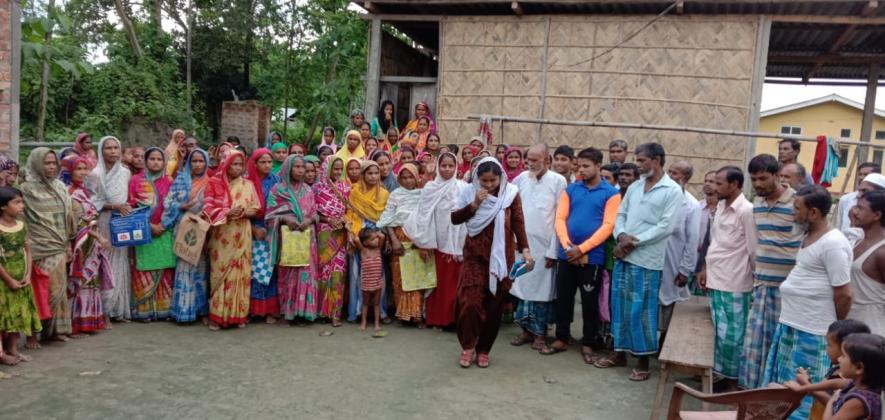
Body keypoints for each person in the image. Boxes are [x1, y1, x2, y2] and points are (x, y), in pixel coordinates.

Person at [763, 185, 853, 420]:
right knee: (784, 391)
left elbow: (844, 293)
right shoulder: (808, 237)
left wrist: (834, 327)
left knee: (802, 399)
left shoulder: (833, 243)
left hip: (812, 332)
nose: (793, 213)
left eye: (797, 208)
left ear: (813, 213)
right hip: (792, 326)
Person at [596, 143, 682, 381]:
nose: (639, 164)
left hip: (646, 260)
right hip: (624, 256)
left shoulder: (672, 191)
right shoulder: (634, 187)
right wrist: (621, 236)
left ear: (656, 160)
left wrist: (633, 243)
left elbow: (666, 227)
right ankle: (619, 353)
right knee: (620, 306)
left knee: (642, 311)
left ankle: (643, 361)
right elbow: (621, 215)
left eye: (642, 160)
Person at [451, 157, 531, 368]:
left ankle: (484, 349)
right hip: (474, 256)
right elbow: (455, 218)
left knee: (494, 306)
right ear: (477, 178)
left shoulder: (510, 194)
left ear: (500, 178)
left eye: (492, 181)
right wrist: (475, 204)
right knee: (470, 302)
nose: (488, 185)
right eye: (484, 181)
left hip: (502, 259)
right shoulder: (468, 192)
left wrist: (525, 249)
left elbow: (518, 222)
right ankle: (468, 346)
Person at [539, 147, 618, 360]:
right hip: (567, 254)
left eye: (586, 166)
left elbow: (608, 225)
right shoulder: (571, 189)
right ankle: (561, 338)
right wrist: (567, 246)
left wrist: (581, 249)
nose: (581, 170)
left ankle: (588, 343)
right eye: (579, 165)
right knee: (563, 298)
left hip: (592, 257)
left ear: (598, 167)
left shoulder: (611, 193)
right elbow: (560, 219)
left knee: (590, 301)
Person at [738, 154, 804, 390]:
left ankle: (779, 394)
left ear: (777, 175)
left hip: (788, 289)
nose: (757, 184)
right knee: (755, 345)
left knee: (782, 346)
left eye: (763, 178)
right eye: (754, 179)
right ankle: (753, 392)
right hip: (762, 285)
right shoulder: (756, 203)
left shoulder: (798, 202)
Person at [700, 165, 756, 389]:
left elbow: (753, 250)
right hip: (717, 277)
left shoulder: (746, 211)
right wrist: (705, 268)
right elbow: (715, 243)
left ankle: (732, 378)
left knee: (733, 334)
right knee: (720, 332)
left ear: (734, 185)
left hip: (735, 281)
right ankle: (721, 373)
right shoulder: (722, 206)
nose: (714, 187)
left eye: (719, 183)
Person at [508, 144, 567, 351]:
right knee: (522, 289)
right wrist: (514, 239)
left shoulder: (559, 181)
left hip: (545, 248)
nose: (530, 163)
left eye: (535, 160)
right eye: (528, 160)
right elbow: (512, 211)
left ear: (547, 160)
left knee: (542, 293)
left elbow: (561, 217)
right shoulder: (520, 179)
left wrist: (554, 251)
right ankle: (525, 331)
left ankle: (540, 334)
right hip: (522, 245)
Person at [404, 153, 467, 329]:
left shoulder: (462, 187)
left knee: (455, 284)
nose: (447, 169)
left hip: (457, 243)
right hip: (437, 243)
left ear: (456, 168)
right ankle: (439, 319)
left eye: (450, 166)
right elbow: (424, 216)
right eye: (444, 166)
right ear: (438, 167)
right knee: (439, 284)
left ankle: (454, 319)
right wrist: (424, 243)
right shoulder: (431, 188)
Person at [21, 147, 74, 342]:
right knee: (39, 290)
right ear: (36, 164)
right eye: (47, 163)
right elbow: (22, 219)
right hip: (37, 247)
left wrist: (67, 243)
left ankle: (54, 330)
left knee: (58, 288)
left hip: (59, 245)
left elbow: (67, 217)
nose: (51, 167)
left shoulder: (60, 187)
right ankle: (33, 333)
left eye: (54, 163)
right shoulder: (26, 189)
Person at [203, 151, 260, 330]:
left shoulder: (248, 185)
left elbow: (256, 208)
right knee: (220, 273)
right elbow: (207, 208)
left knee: (240, 273)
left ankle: (238, 316)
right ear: (226, 164)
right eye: (233, 164)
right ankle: (217, 317)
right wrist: (226, 213)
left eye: (240, 165)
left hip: (242, 233)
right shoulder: (214, 183)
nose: (237, 168)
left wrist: (242, 212)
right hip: (221, 235)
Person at [266, 155, 319, 324]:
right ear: (288, 168)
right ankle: (290, 312)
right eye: (296, 166)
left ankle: (306, 312)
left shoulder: (308, 190)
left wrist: (309, 221)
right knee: (289, 274)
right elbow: (269, 215)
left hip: (306, 238)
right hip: (288, 239)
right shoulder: (278, 190)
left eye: (302, 167)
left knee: (306, 273)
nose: (300, 170)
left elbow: (314, 213)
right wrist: (285, 219)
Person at [161, 149, 211, 324]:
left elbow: (216, 204)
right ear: (189, 162)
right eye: (194, 161)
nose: (197, 164)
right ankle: (183, 311)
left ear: (206, 162)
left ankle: (201, 310)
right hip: (183, 226)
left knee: (201, 269)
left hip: (203, 228)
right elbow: (167, 202)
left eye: (201, 161)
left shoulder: (210, 181)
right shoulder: (181, 179)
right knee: (184, 267)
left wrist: (205, 215)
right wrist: (181, 206)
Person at [64, 157, 113, 336]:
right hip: (80, 245)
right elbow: (77, 224)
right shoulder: (69, 193)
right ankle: (74, 324)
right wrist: (99, 237)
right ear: (69, 171)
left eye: (85, 168)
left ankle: (88, 322)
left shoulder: (84, 191)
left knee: (90, 281)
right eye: (79, 169)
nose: (83, 172)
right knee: (77, 281)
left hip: (90, 245)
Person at [785, 319, 871, 419]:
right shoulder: (836, 370)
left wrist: (806, 385)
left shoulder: (848, 377)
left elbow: (835, 404)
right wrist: (807, 384)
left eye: (829, 345)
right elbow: (825, 388)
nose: (827, 348)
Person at [128, 147, 174, 321]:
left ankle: (163, 311)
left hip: (164, 232)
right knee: (143, 270)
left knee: (164, 271)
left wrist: (162, 225)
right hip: (143, 232)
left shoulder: (170, 182)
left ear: (164, 162)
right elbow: (131, 206)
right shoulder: (135, 181)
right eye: (152, 158)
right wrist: (149, 226)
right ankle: (143, 311)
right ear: (146, 161)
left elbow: (174, 207)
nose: (156, 162)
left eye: (159, 159)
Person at [90, 136, 133, 322]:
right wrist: (114, 206)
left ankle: (118, 308)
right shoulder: (95, 174)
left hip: (121, 221)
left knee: (120, 260)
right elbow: (92, 203)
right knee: (103, 262)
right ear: (101, 150)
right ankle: (103, 311)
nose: (113, 151)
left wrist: (125, 207)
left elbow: (125, 197)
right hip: (102, 221)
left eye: (116, 147)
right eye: (109, 148)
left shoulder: (125, 173)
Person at [378, 163, 426, 326]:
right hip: (399, 238)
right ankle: (404, 314)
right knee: (401, 277)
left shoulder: (423, 195)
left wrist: (422, 242)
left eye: (410, 177)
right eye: (403, 178)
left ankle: (418, 315)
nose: (407, 181)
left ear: (416, 177)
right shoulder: (395, 195)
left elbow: (426, 219)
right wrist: (394, 240)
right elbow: (388, 219)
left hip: (418, 239)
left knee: (418, 278)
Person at [657, 161, 700, 347]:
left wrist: (685, 270)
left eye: (675, 173)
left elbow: (692, 241)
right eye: (670, 171)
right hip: (652, 260)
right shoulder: (659, 196)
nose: (670, 176)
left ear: (686, 178)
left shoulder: (691, 205)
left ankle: (664, 347)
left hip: (674, 263)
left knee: (670, 303)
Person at [0, 187, 42, 365]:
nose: (21, 206)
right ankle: (3, 353)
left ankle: (14, 350)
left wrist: (27, 274)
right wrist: (8, 280)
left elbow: (28, 251)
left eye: (21, 202)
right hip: (4, 278)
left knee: (19, 313)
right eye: (16, 202)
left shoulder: (22, 226)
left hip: (22, 276)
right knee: (5, 313)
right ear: (3, 206)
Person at [345, 160, 390, 323]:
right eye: (369, 173)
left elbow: (386, 217)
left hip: (377, 237)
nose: (373, 176)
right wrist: (352, 232)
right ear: (362, 175)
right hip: (359, 235)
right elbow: (349, 214)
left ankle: (382, 312)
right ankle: (356, 311)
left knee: (378, 275)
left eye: (376, 173)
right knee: (358, 275)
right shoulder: (354, 192)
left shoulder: (384, 194)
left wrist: (379, 235)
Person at [314, 156, 350, 327]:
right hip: (323, 233)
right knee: (323, 271)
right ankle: (321, 311)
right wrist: (327, 220)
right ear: (327, 168)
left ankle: (335, 313)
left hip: (340, 234)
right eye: (334, 168)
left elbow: (351, 211)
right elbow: (312, 213)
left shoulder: (345, 187)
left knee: (338, 273)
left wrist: (343, 219)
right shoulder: (317, 189)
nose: (337, 172)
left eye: (339, 169)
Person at [246, 149, 280, 323]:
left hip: (272, 230)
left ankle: (268, 310)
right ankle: (254, 310)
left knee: (270, 269)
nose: (267, 165)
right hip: (252, 231)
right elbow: (242, 209)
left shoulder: (275, 181)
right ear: (255, 163)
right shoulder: (247, 182)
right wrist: (253, 229)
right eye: (263, 162)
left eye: (269, 162)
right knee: (254, 271)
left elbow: (281, 204)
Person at [847, 189, 885, 337]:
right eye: (856, 206)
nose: (854, 211)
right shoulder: (857, 241)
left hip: (873, 330)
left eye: (861, 208)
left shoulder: (881, 252)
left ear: (877, 215)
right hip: (850, 324)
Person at [823, 333, 884, 420]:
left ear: (859, 367)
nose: (839, 359)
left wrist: (831, 401)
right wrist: (808, 387)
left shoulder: (857, 401)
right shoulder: (857, 385)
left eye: (843, 356)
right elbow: (835, 383)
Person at [836, 163, 881, 243]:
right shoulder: (845, 199)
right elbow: (839, 227)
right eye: (860, 174)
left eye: (866, 174)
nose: (861, 177)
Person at [358, 227, 385, 332]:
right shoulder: (363, 251)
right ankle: (363, 322)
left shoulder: (378, 249)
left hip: (378, 283)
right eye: (373, 239)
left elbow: (382, 236)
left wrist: (376, 234)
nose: (377, 240)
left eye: (376, 238)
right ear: (365, 242)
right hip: (366, 283)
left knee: (376, 304)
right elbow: (356, 239)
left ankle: (377, 323)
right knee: (365, 304)